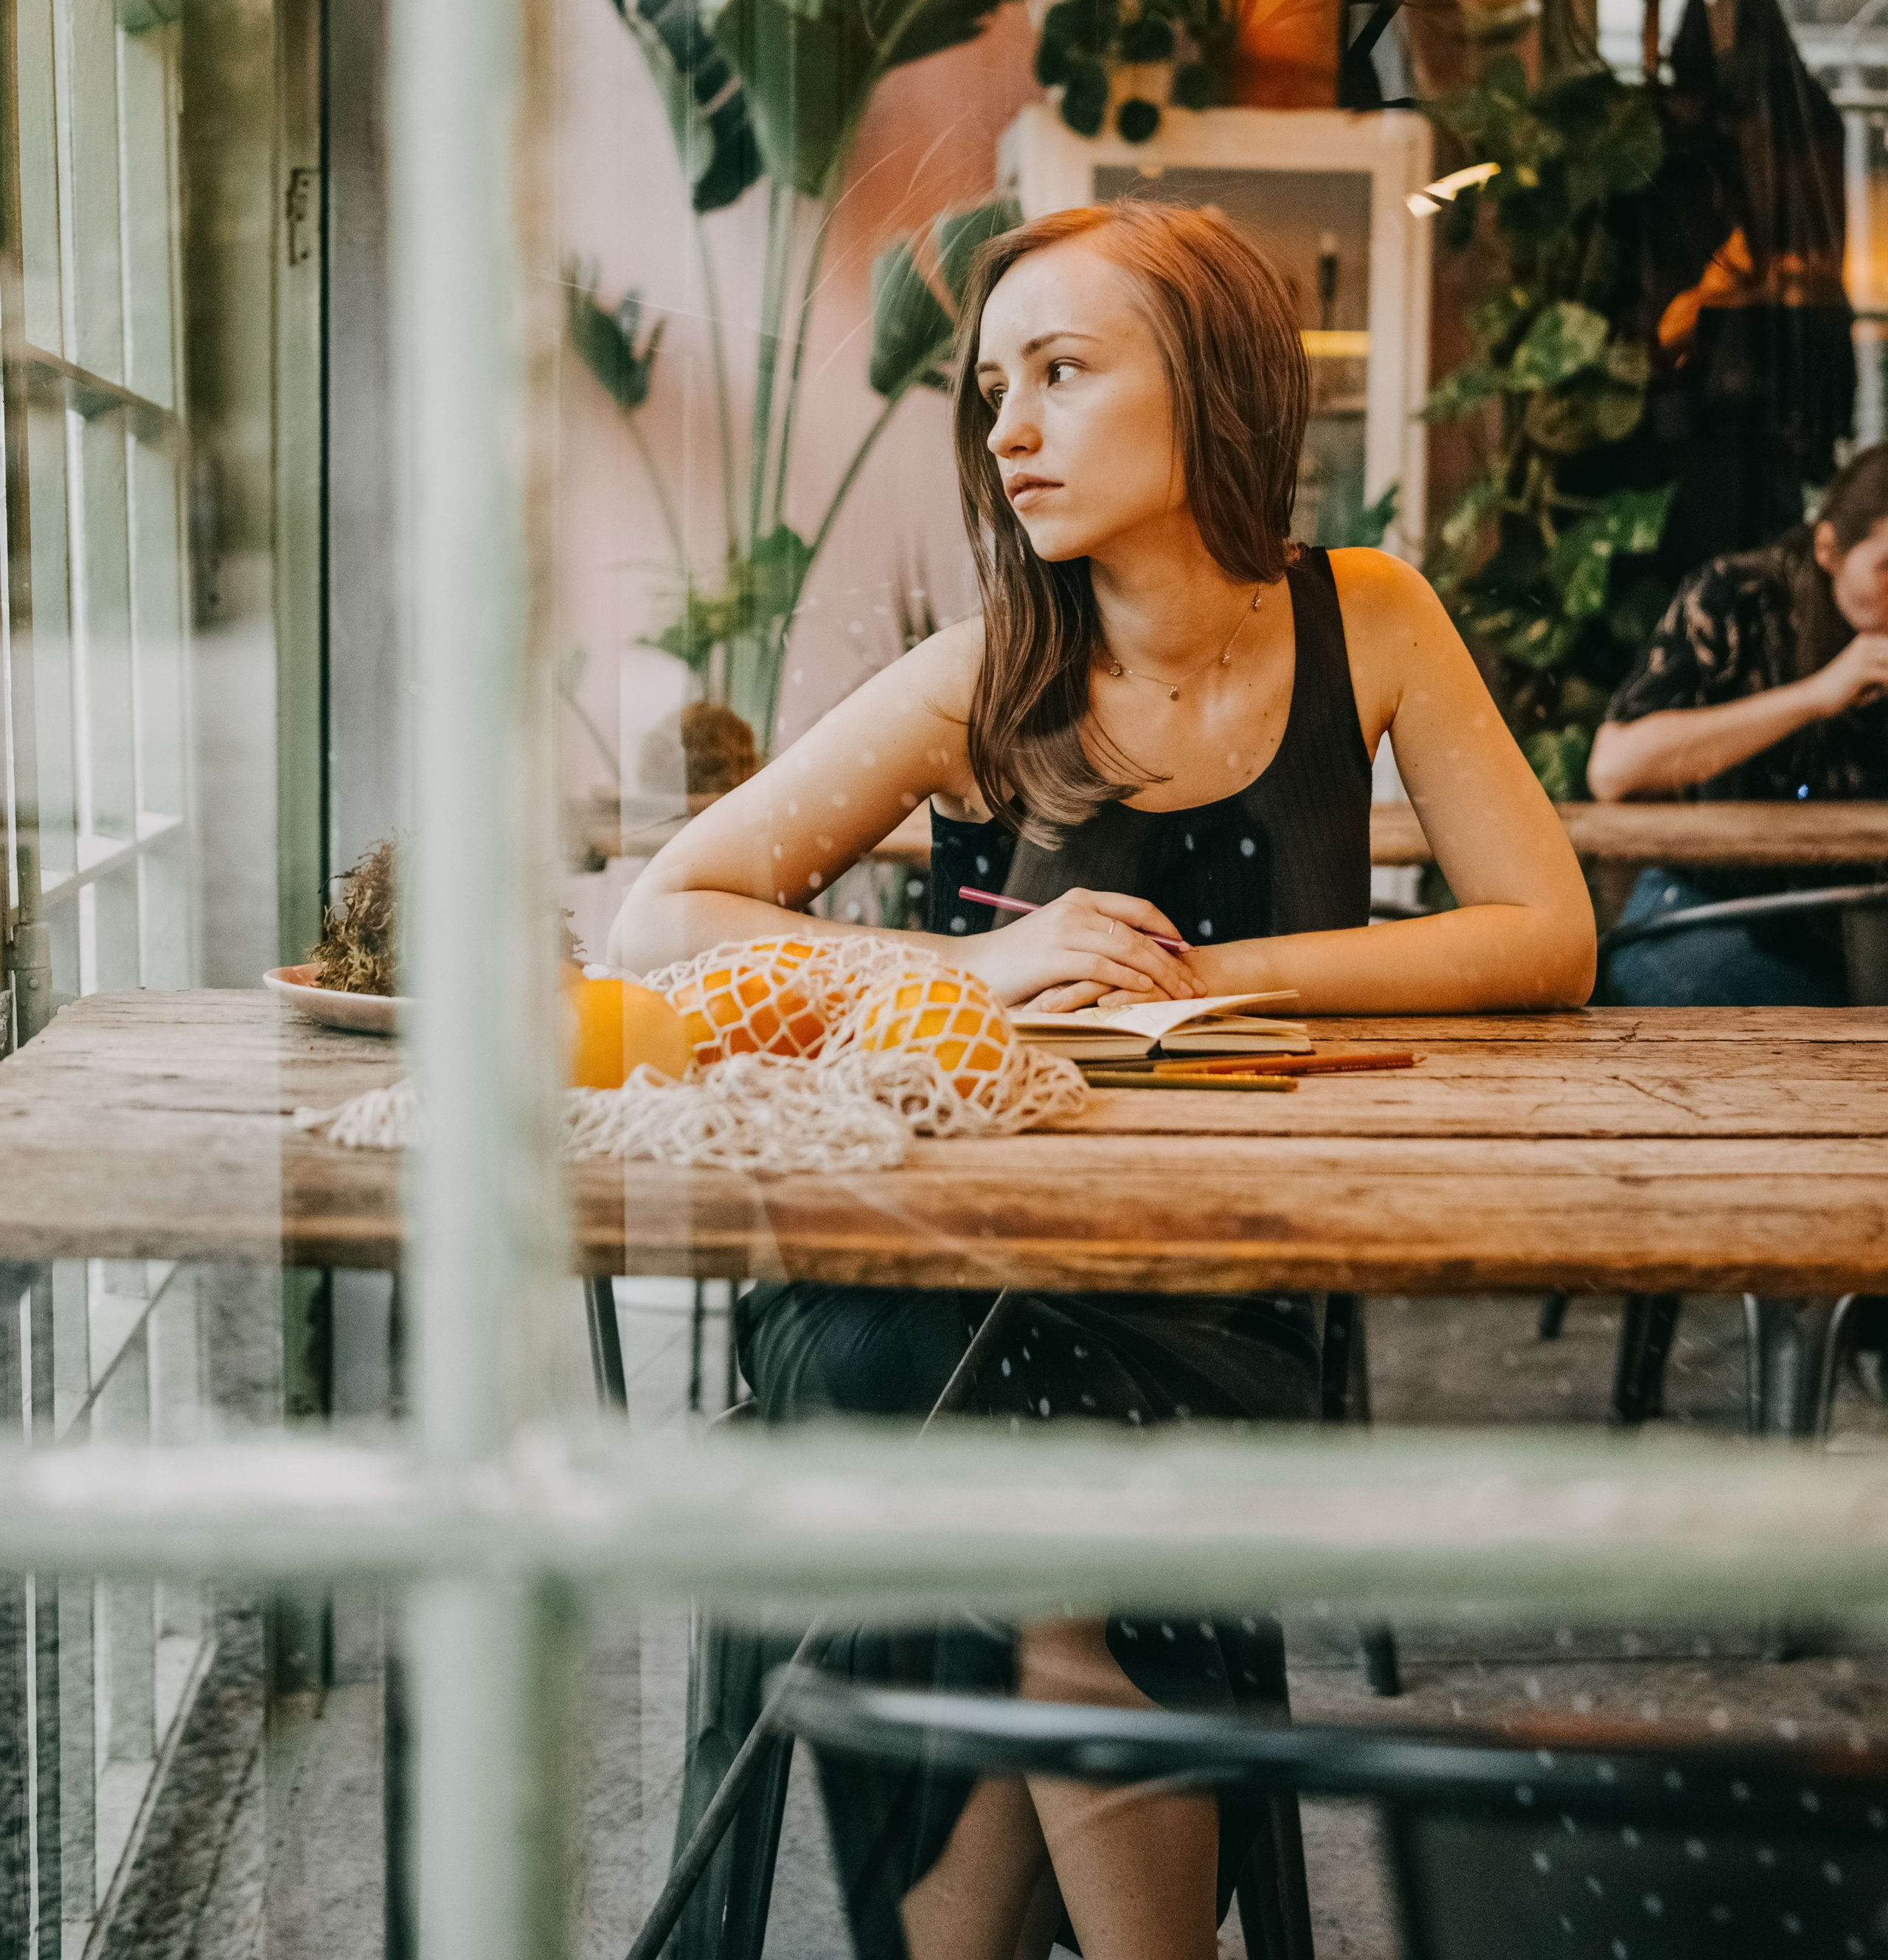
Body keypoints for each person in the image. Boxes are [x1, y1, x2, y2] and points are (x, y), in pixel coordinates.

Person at [612, 200, 1593, 1960]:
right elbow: (658, 914)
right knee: (1044, 1503)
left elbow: (1541, 928)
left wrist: (1220, 973)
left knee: (1033, 1515)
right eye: (994, 385)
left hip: (1206, 1277)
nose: (1004, 429)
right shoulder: (994, 659)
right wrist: (967, 965)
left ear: (1207, 388)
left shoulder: (1361, 619)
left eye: (1060, 373)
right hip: (913, 1262)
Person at [1586, 443, 1888, 1008]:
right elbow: (1614, 768)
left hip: (1861, 922)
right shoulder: (1737, 598)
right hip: (1715, 905)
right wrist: (1818, 695)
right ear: (1828, 548)